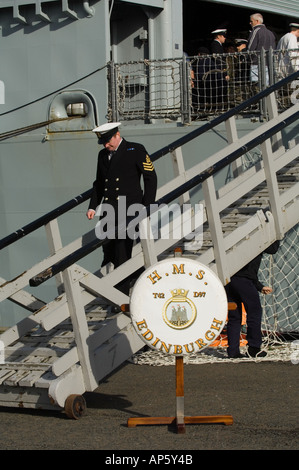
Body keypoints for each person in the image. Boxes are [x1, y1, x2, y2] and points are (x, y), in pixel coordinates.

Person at [86, 122, 157, 303]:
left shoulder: (136, 150)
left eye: (108, 140)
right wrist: (93, 206)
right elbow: (99, 183)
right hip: (109, 211)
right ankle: (120, 284)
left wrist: (147, 206)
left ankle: (121, 297)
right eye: (103, 142)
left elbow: (150, 177)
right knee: (108, 250)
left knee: (122, 252)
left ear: (117, 135)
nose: (105, 145)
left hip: (129, 209)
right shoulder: (102, 155)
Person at [225, 240, 280, 358]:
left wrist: (260, 287)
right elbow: (272, 249)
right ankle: (254, 348)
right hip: (243, 281)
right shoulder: (257, 240)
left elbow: (246, 272)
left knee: (235, 317)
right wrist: (278, 235)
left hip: (229, 280)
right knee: (254, 312)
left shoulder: (236, 241)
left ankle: (233, 351)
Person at [247, 13, 276, 86]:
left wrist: (249, 59)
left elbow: (250, 48)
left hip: (256, 63)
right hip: (268, 63)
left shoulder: (255, 31)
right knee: (266, 86)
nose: (250, 23)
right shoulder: (270, 33)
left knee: (255, 87)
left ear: (257, 21)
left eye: (251, 21)